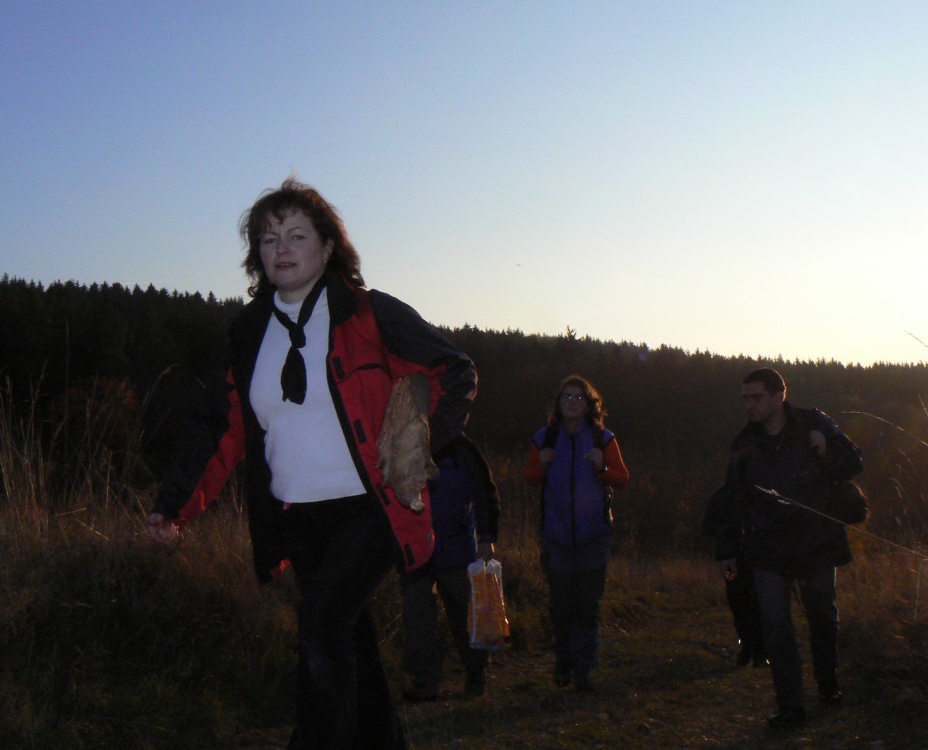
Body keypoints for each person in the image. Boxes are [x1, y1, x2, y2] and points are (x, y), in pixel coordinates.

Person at [145, 177, 477, 750]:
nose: (282, 248)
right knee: (350, 639)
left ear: (327, 248)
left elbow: (456, 372)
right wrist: (175, 505)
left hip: (369, 509)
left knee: (322, 624)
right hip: (297, 516)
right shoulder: (249, 332)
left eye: (297, 235)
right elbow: (220, 425)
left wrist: (420, 446)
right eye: (269, 239)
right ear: (257, 255)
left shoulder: (370, 314)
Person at [714, 368, 862, 728]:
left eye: (756, 397)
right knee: (775, 624)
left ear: (779, 395)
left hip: (816, 541)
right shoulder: (743, 442)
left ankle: (827, 684)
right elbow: (731, 497)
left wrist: (825, 450)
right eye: (745, 398)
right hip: (767, 548)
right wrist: (727, 548)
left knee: (822, 615)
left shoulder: (815, 423)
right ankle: (790, 705)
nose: (749, 405)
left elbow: (853, 463)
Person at [522, 375, 630, 692]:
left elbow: (622, 479)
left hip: (593, 537)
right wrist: (542, 464)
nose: (572, 402)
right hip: (555, 537)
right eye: (566, 397)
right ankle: (564, 661)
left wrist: (602, 468)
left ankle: (583, 669)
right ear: (558, 404)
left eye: (578, 397)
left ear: (589, 405)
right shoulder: (544, 438)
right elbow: (530, 478)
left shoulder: (602, 439)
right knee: (560, 606)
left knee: (586, 606)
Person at [399, 433, 500, 702]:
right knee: (418, 618)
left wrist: (487, 536)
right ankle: (425, 681)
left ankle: (476, 671)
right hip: (415, 549)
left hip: (457, 548)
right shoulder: (402, 442)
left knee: (465, 614)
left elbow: (484, 491)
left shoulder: (463, 449)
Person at [702, 485, 766, 668]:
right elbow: (708, 526)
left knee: (741, 606)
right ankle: (756, 652)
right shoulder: (756, 492)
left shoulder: (722, 495)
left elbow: (708, 527)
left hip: (734, 557)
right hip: (748, 557)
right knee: (752, 605)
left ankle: (749, 650)